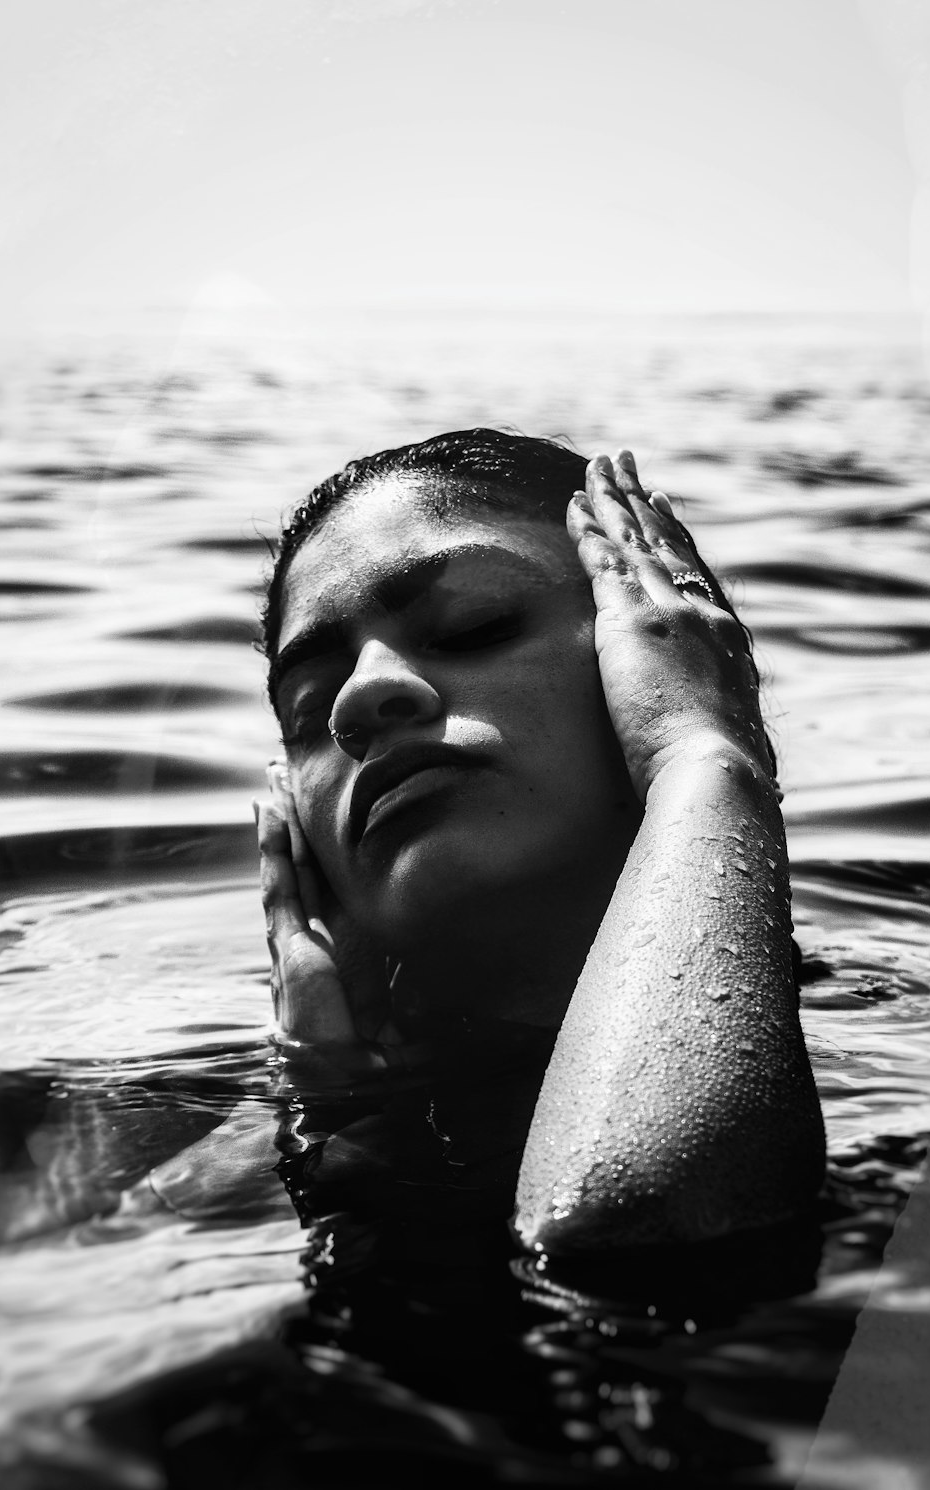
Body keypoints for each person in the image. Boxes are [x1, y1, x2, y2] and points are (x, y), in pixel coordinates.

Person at [254, 428, 825, 1252]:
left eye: (475, 626)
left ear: (679, 657)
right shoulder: (211, 1159)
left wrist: (704, 755)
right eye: (310, 708)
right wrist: (330, 1105)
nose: (361, 698)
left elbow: (634, 1220)